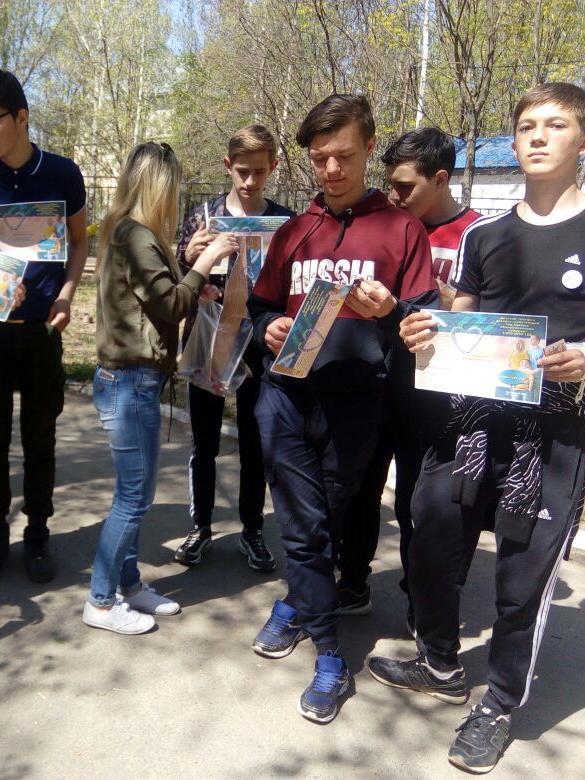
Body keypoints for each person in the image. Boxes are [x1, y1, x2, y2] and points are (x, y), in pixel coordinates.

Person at [368, 83, 585, 774]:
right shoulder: (485, 236)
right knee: (429, 542)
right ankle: (440, 664)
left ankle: (497, 704)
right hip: (470, 424)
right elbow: (456, 330)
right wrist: (422, 334)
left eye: (555, 125)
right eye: (526, 125)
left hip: (551, 436)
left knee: (521, 581)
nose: (537, 136)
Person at [247, 94, 435, 724]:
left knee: (322, 523)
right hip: (285, 398)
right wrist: (269, 327)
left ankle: (296, 605)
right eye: (319, 157)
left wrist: (394, 311)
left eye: (344, 155)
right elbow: (259, 309)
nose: (331, 169)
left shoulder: (401, 229)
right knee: (303, 530)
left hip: (356, 406)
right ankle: (330, 658)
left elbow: (425, 323)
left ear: (369, 147)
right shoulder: (293, 231)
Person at [83, 142, 238, 634]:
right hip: (129, 382)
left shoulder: (132, 232)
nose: (173, 197)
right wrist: (206, 261)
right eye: (171, 187)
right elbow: (169, 305)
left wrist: (192, 276)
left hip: (134, 381)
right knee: (133, 498)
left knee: (135, 494)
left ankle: (129, 586)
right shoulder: (135, 235)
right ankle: (100, 602)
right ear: (158, 186)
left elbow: (160, 297)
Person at [337, 128, 480, 622]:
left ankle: (423, 602)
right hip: (379, 383)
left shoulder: (475, 234)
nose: (394, 197)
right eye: (391, 185)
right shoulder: (388, 228)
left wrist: (458, 309)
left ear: (440, 179)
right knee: (361, 487)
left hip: (436, 397)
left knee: (420, 505)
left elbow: (498, 326)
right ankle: (352, 582)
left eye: (405, 187)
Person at [0, 69, 88, 583]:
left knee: (39, 439)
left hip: (39, 332)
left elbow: (80, 241)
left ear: (22, 117)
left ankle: (37, 534)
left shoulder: (62, 174)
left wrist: (67, 294)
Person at [172, 124, 296, 572]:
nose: (250, 181)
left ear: (273, 167)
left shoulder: (285, 222)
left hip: (259, 344)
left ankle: (252, 531)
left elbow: (293, 284)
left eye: (260, 172)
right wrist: (190, 258)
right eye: (242, 171)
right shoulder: (202, 216)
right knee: (204, 441)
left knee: (255, 443)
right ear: (228, 166)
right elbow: (177, 279)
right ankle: (200, 527)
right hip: (209, 339)